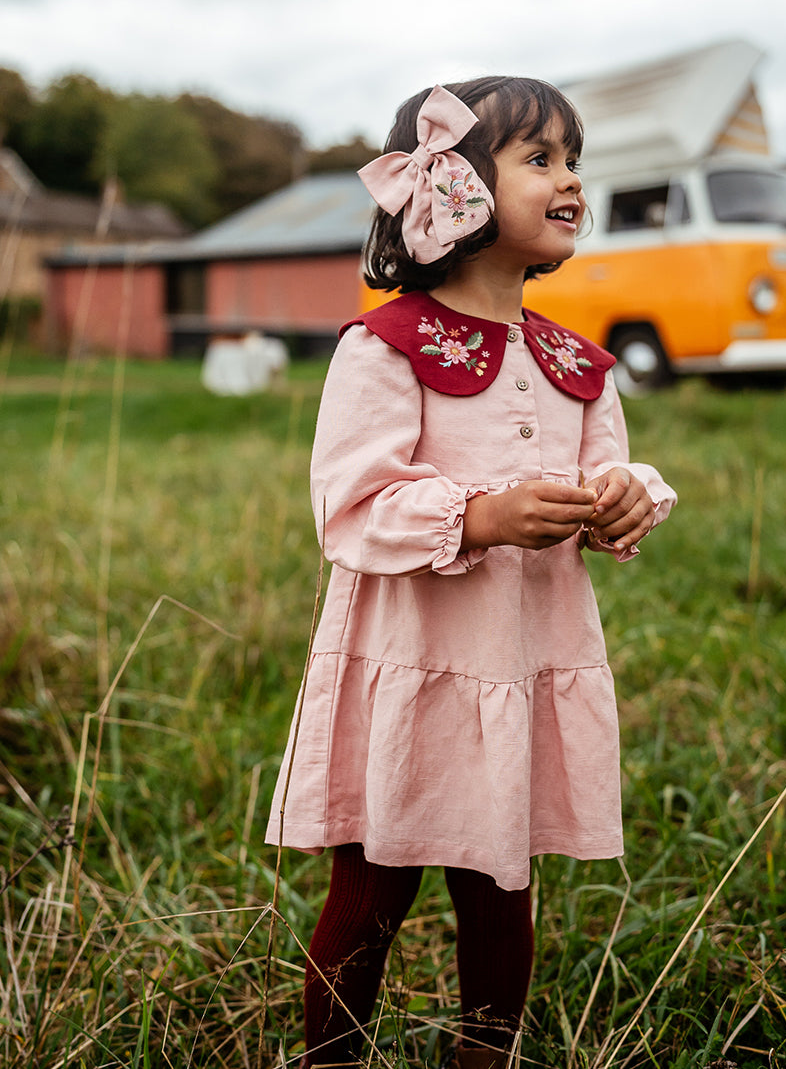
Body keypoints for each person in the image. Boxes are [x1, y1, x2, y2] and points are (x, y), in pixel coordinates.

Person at [266, 76, 677, 1069]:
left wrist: (624, 497)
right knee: (370, 890)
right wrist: (482, 516)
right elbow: (350, 504)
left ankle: (484, 1057)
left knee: (501, 889)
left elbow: (609, 469)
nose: (570, 180)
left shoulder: (579, 365)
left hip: (518, 664)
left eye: (574, 160)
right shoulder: (387, 348)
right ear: (456, 190)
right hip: (409, 667)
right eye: (540, 158)